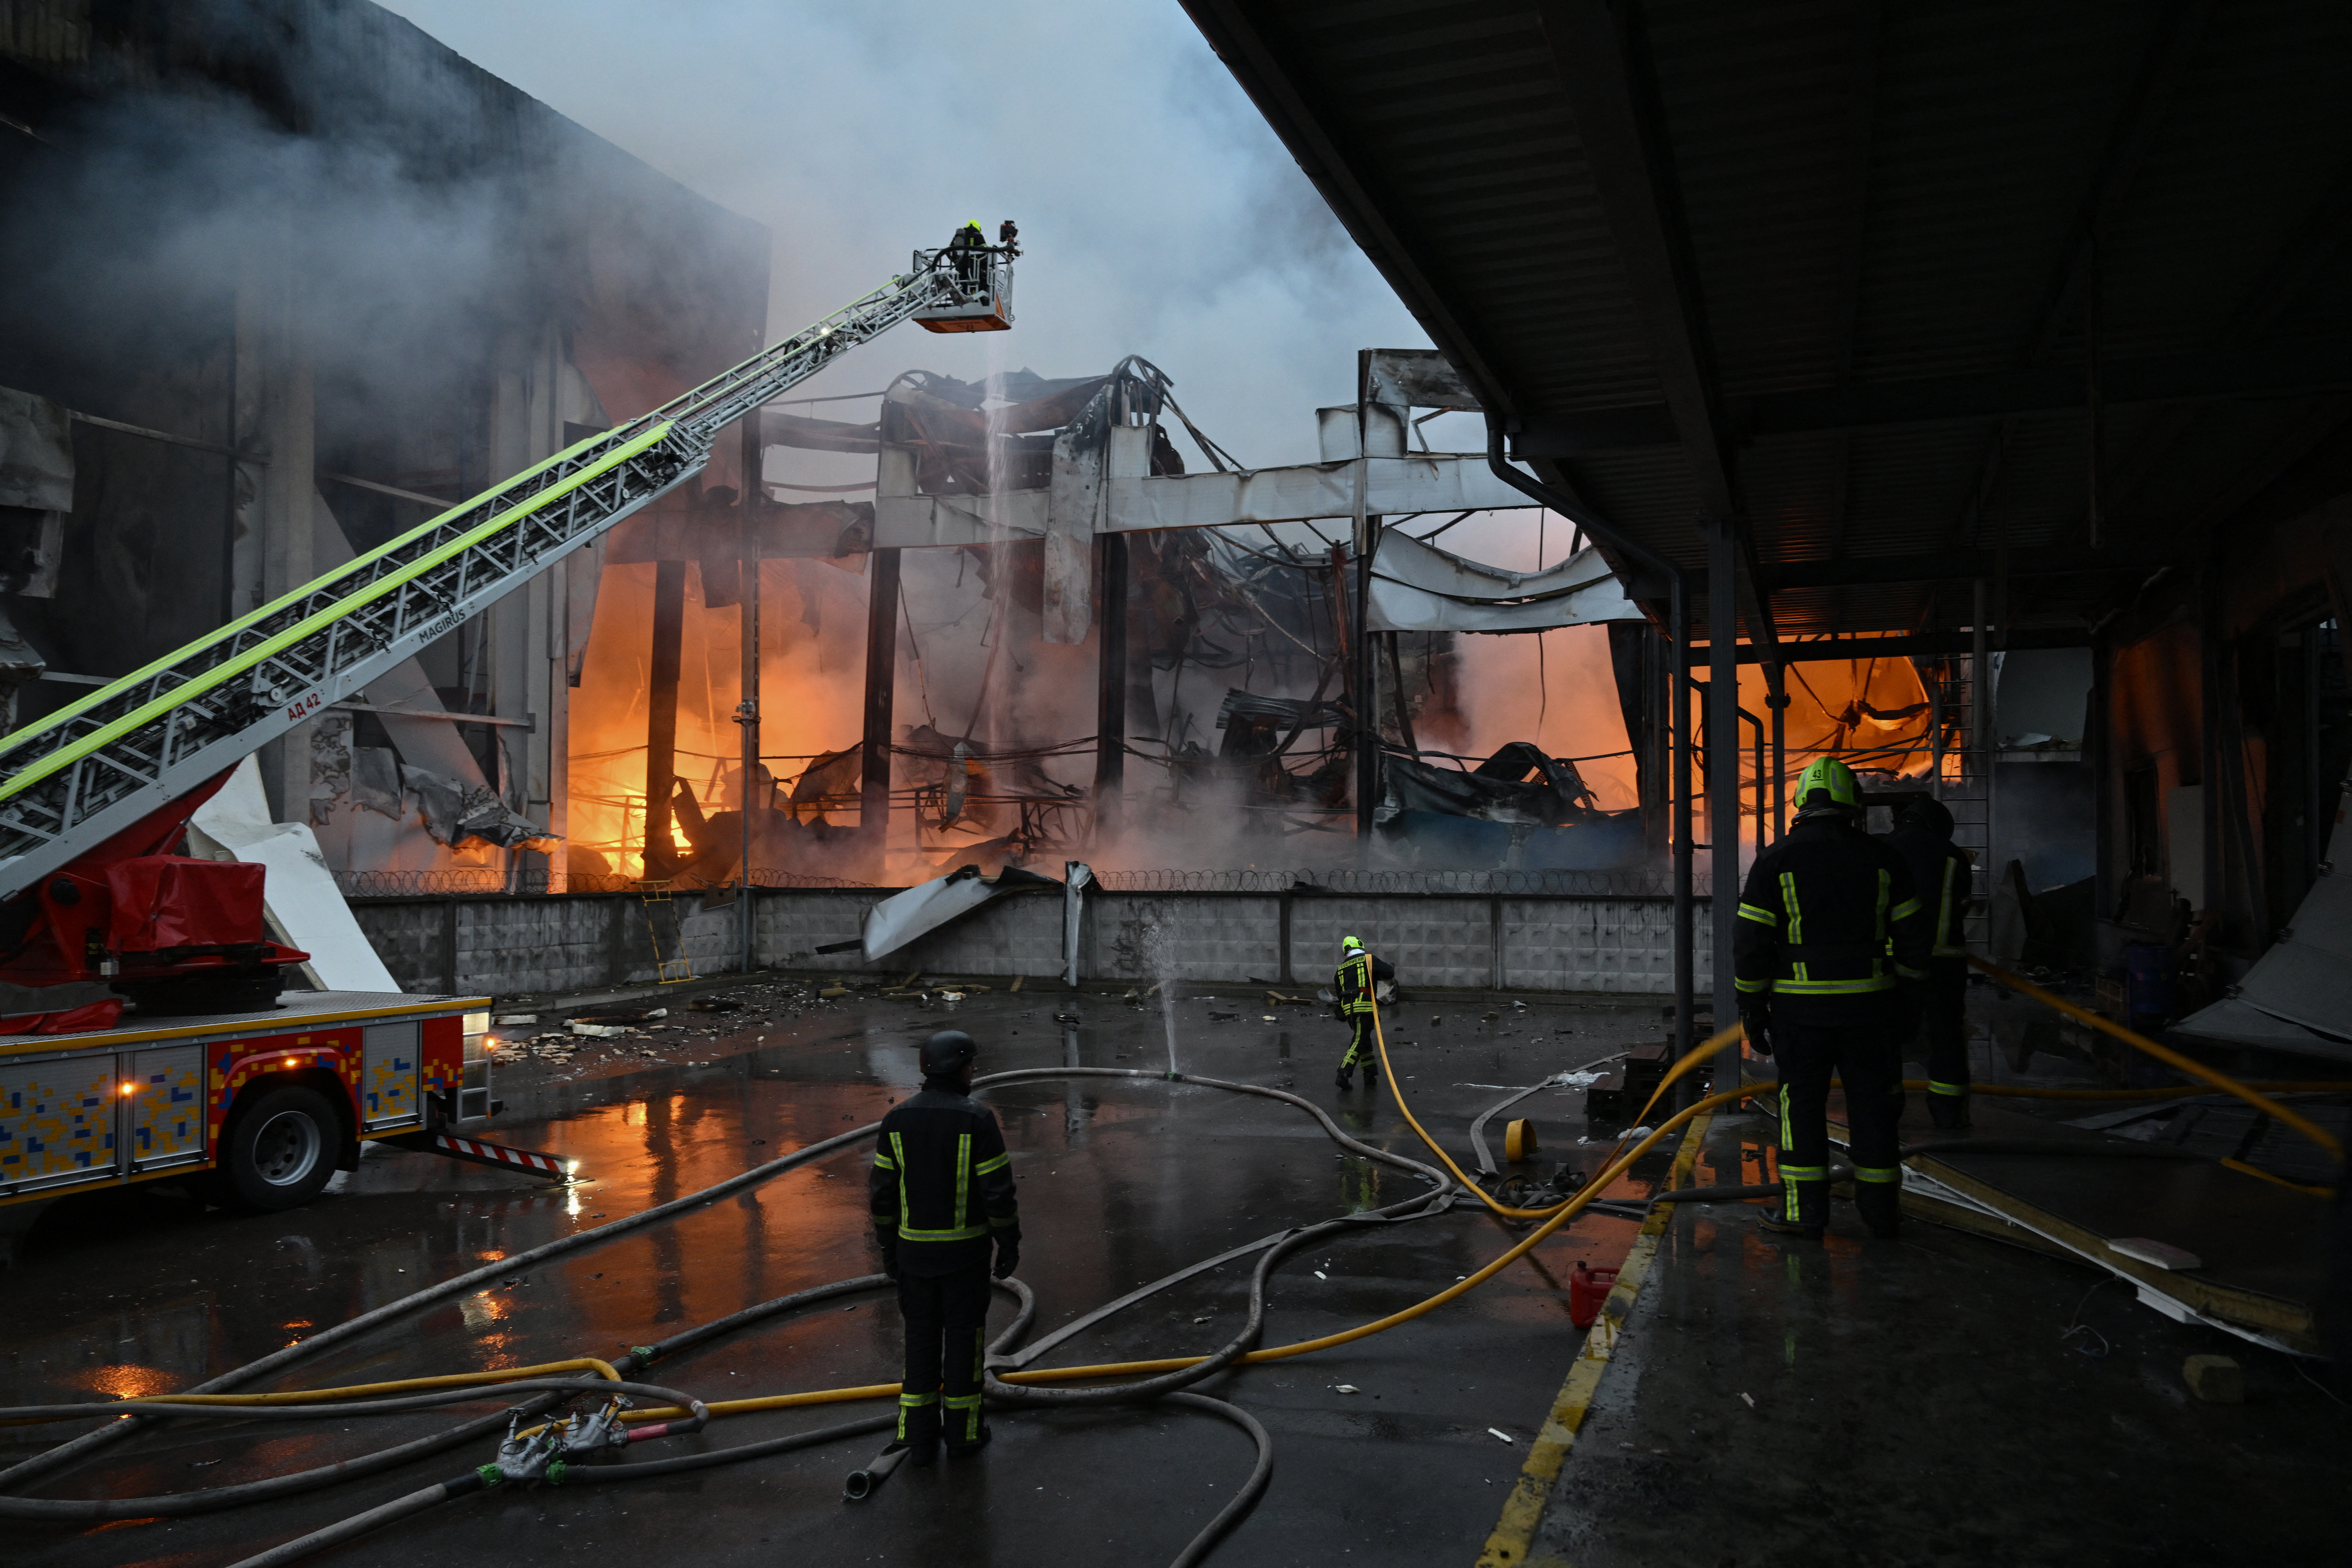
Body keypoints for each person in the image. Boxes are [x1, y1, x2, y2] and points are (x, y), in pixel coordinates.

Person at [1733, 758, 1930, 1240]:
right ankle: (1882, 1214)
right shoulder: (1884, 859)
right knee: (1874, 1108)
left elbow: (1751, 946)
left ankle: (1804, 1214)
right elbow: (1913, 940)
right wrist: (1908, 999)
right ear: (1852, 805)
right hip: (1871, 1011)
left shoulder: (1775, 861)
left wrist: (1752, 1008)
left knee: (1800, 1109)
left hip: (1801, 1015)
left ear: (1801, 803)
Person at [869, 1029, 1020, 1462]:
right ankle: (964, 1433)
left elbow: (881, 1196)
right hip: (965, 1258)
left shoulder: (896, 1120)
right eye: (971, 1063)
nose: (974, 1071)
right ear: (959, 1068)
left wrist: (887, 1247)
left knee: (918, 1339)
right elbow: (998, 1194)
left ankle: (916, 1433)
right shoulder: (976, 1119)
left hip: (913, 1258)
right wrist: (1008, 1243)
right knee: (964, 1341)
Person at [1886, 796, 1975, 1129]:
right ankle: (1949, 1114)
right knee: (1947, 1037)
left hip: (1893, 959)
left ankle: (1887, 1108)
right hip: (1945, 964)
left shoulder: (1883, 850)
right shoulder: (1953, 856)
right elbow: (1963, 903)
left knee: (1887, 1037)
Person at [1332, 935, 1395, 1093]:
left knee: (1364, 1038)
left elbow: (1339, 994)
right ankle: (1344, 1073)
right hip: (1365, 1006)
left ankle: (1370, 1074)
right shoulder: (1368, 959)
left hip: (1349, 1010)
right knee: (1360, 1039)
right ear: (1360, 945)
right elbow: (1389, 972)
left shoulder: (1340, 969)